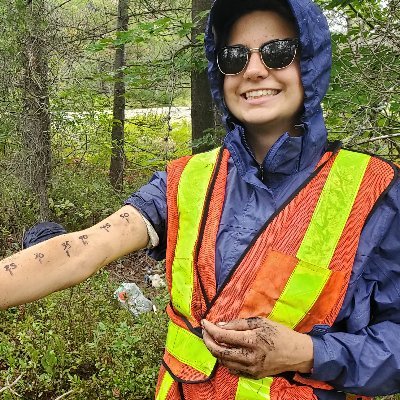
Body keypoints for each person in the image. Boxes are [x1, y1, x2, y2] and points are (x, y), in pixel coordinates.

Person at [1, 0, 400, 399]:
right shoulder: (185, 181)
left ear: (310, 61)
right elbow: (81, 249)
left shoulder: (375, 192)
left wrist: (310, 353)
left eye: (279, 52)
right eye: (234, 56)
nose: (255, 70)